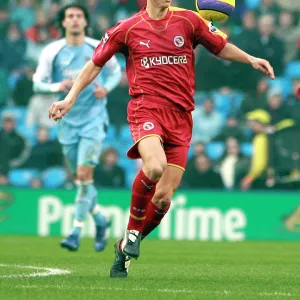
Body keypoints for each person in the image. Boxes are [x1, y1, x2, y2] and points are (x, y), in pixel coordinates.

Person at [48, 0, 275, 278]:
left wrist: (250, 58)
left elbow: (220, 46)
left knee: (164, 198)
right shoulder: (127, 29)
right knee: (154, 166)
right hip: (146, 108)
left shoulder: (189, 21)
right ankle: (133, 231)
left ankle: (124, 248)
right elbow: (95, 64)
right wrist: (70, 99)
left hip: (181, 117)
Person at [34, 4, 122, 252]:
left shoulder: (97, 47)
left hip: (94, 120)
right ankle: (102, 220)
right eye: (70, 16)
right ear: (63, 22)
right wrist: (56, 87)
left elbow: (116, 72)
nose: (74, 20)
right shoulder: (52, 51)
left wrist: (108, 87)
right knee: (81, 179)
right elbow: (37, 83)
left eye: (79, 16)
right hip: (66, 122)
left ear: (85, 22)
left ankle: (75, 231)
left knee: (84, 176)